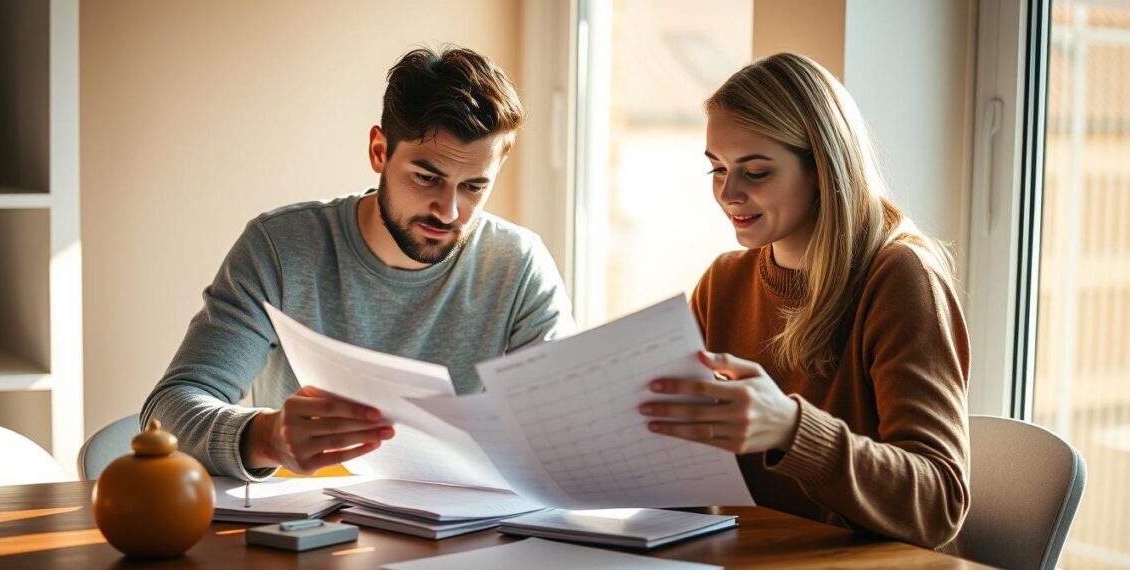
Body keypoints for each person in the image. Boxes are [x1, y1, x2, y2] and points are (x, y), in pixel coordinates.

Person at [143, 46, 574, 481]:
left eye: (475, 187)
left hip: (463, 532)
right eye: (426, 178)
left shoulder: (517, 264)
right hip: (304, 530)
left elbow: (561, 423)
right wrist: (266, 436)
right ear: (379, 151)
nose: (448, 211)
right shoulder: (280, 248)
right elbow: (169, 408)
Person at [639, 52, 970, 551]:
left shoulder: (901, 278)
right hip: (749, 554)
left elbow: (938, 500)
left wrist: (792, 430)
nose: (728, 193)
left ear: (821, 168)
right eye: (717, 169)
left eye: (755, 172)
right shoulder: (724, 281)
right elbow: (695, 478)